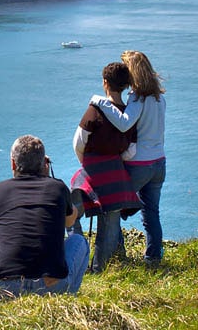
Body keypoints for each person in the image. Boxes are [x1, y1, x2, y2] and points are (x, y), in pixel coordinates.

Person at [0, 135, 89, 298]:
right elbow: (70, 221)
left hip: (10, 285)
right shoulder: (57, 188)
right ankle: (66, 298)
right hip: (52, 284)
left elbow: (0, 235)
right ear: (44, 164)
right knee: (80, 241)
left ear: (13, 163)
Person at [91, 50, 167, 266]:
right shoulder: (159, 98)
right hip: (159, 162)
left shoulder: (138, 98)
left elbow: (124, 122)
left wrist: (101, 102)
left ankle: (113, 255)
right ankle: (153, 258)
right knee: (151, 212)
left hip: (139, 165)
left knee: (110, 206)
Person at [70, 62, 141, 273]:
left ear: (105, 83)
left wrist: (87, 162)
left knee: (70, 213)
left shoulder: (94, 110)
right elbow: (132, 151)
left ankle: (77, 257)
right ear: (126, 86)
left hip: (90, 173)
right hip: (116, 175)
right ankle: (99, 270)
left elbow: (78, 142)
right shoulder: (130, 116)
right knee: (109, 228)